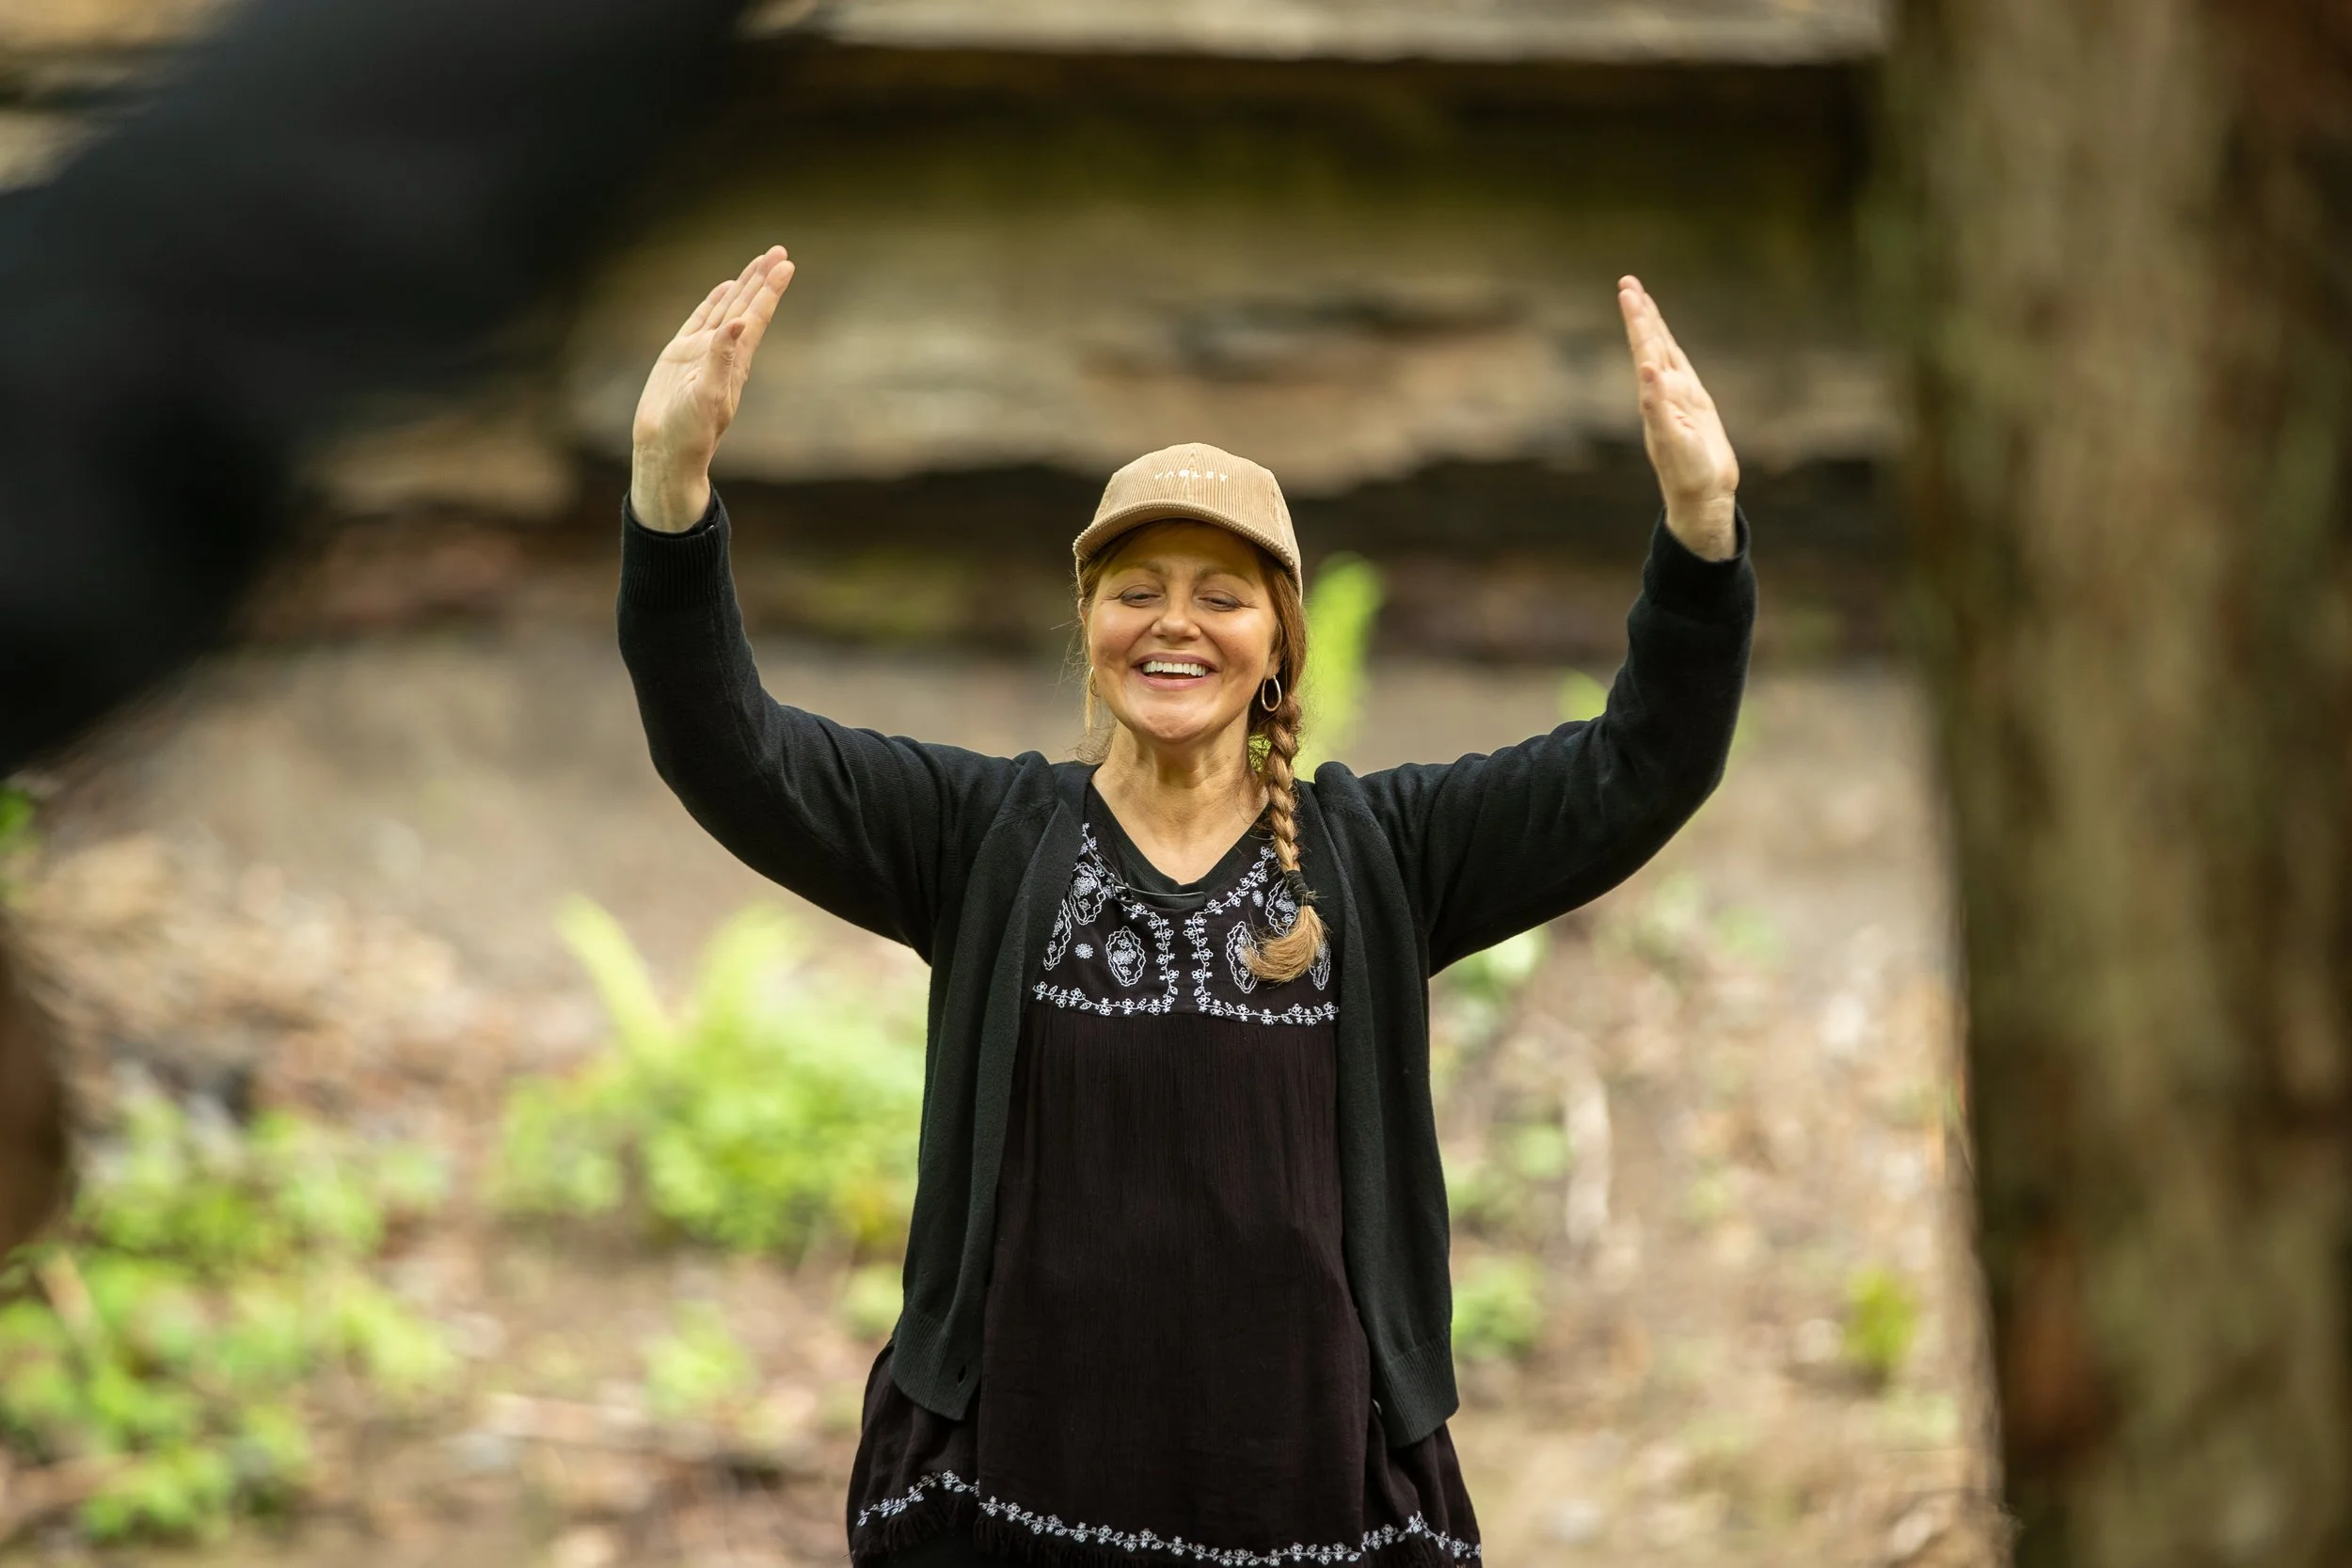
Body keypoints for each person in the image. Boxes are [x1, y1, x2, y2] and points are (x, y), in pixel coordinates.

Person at [618, 246, 1755, 1565]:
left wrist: (1702, 527)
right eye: (1136, 591)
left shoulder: (1380, 853)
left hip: (1306, 1498)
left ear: (1277, 641)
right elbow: (732, 749)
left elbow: (1640, 765)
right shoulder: (983, 838)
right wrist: (669, 487)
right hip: (1016, 1498)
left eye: (1221, 596)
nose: (1176, 626)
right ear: (1089, 620)